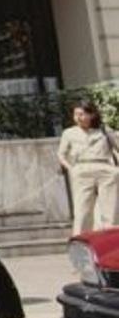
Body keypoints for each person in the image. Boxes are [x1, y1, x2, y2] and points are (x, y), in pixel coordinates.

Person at [57, 100, 119, 235]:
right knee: (82, 210)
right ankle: (80, 240)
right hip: (82, 169)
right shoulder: (69, 133)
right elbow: (61, 154)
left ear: (91, 115)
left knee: (111, 210)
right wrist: (71, 169)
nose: (78, 118)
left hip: (105, 168)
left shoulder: (104, 130)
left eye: (82, 114)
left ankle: (112, 241)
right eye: (76, 114)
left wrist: (115, 171)